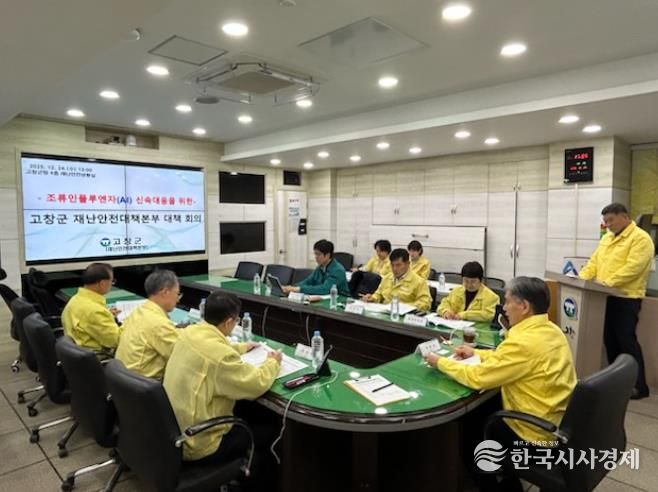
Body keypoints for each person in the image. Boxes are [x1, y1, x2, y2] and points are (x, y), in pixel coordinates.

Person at [425, 277, 576, 491]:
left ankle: (495, 486)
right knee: (482, 409)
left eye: (508, 301)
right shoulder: (551, 330)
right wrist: (476, 353)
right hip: (555, 422)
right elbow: (507, 358)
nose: (503, 308)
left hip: (533, 435)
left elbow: (478, 377)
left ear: (524, 307)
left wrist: (439, 361)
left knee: (470, 434)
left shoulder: (523, 343)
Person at [163, 291, 281, 490]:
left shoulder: (190, 332)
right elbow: (256, 383)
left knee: (247, 410)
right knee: (271, 430)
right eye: (236, 321)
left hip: (175, 430)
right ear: (228, 322)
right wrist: (273, 362)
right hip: (200, 442)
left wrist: (242, 347)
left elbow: (214, 347)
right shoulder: (220, 357)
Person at [579, 202, 655, 399]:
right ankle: (616, 383)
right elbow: (594, 262)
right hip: (604, 297)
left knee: (626, 341)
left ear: (625, 217)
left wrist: (607, 283)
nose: (608, 225)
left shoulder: (640, 239)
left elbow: (633, 268)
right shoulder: (607, 238)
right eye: (605, 221)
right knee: (610, 341)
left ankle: (639, 386)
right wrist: (581, 278)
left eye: (611, 220)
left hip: (626, 298)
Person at [115, 270, 181, 380]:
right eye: (177, 293)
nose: (178, 299)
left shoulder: (139, 312)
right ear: (165, 292)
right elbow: (181, 355)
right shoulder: (158, 324)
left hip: (123, 380)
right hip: (143, 384)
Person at [61, 262, 122, 354]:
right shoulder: (95, 311)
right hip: (98, 358)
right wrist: (130, 321)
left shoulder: (75, 299)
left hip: (76, 353)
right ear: (102, 283)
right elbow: (116, 341)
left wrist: (108, 315)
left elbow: (89, 320)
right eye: (112, 281)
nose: (112, 284)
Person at [362, 248, 431, 311]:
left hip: (404, 315)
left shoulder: (419, 281)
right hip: (385, 312)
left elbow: (425, 303)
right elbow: (378, 294)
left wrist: (404, 307)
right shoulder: (387, 278)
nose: (394, 269)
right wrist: (372, 298)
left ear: (408, 264)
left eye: (398, 265)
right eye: (392, 265)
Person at [283, 239, 350, 296]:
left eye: (318, 254)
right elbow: (308, 281)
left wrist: (298, 289)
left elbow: (325, 289)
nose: (316, 257)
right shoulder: (320, 267)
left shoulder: (338, 270)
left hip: (340, 300)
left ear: (327, 255)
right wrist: (292, 287)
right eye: (315, 254)